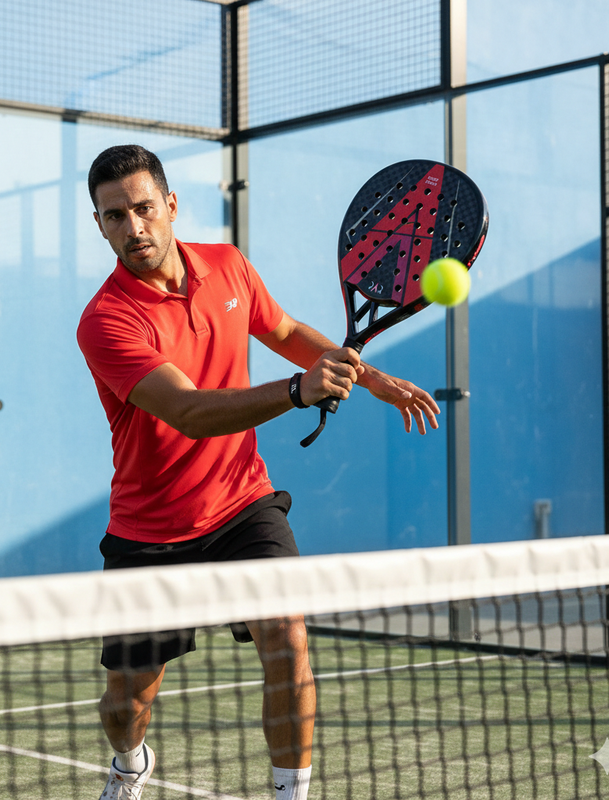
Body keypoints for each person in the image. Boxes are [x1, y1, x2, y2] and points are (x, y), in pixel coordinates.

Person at [77, 144, 441, 800]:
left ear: (171, 205)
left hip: (242, 503)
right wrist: (298, 391)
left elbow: (285, 330)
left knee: (287, 637)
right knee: (126, 702)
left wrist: (373, 379)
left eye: (144, 208)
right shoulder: (106, 321)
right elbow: (188, 412)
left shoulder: (227, 266)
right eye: (115, 216)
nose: (134, 227)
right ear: (99, 224)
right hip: (152, 530)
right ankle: (130, 765)